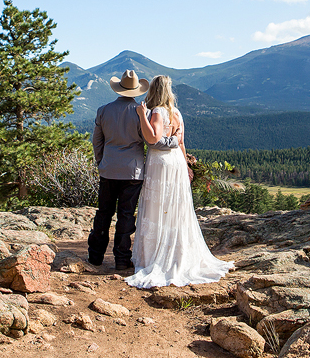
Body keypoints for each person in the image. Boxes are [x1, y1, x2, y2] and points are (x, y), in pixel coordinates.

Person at [125, 75, 234, 288]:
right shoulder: (177, 112)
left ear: (154, 91)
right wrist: (185, 166)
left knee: (159, 206)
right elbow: (181, 142)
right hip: (175, 160)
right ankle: (177, 253)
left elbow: (153, 139)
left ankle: (157, 257)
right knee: (175, 207)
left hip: (161, 163)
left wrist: (141, 116)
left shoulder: (157, 112)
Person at [87, 69, 180, 272]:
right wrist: (175, 140)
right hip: (133, 172)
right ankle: (121, 259)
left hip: (108, 169)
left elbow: (97, 140)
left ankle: (95, 257)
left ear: (119, 89)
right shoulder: (143, 113)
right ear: (137, 91)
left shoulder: (103, 110)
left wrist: (101, 161)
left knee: (103, 213)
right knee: (126, 215)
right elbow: (152, 141)